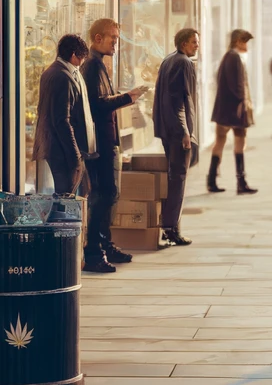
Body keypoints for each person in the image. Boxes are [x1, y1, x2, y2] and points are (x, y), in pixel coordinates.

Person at [80, 19, 147, 273]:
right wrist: (128, 97)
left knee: (109, 195)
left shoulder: (99, 64)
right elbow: (97, 104)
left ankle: (104, 246)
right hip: (100, 142)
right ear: (98, 38)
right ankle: (95, 252)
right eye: (113, 39)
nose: (116, 44)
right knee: (104, 194)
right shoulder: (93, 65)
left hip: (106, 139)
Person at [152, 28, 200, 245]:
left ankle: (170, 225)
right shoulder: (184, 63)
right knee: (178, 179)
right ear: (183, 44)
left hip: (166, 128)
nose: (197, 45)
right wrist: (185, 132)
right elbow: (179, 100)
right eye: (193, 42)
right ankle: (171, 228)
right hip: (177, 132)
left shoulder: (168, 60)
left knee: (174, 176)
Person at [33, 34, 92, 196]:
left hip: (56, 146)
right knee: (66, 195)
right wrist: (74, 154)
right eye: (82, 58)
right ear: (74, 55)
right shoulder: (62, 77)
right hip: (61, 148)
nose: (82, 63)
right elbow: (62, 120)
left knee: (69, 192)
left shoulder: (53, 71)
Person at [209, 29, 258, 195]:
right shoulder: (235, 58)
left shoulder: (227, 57)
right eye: (245, 41)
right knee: (239, 143)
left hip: (225, 109)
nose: (247, 45)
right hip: (235, 110)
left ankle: (212, 180)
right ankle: (240, 182)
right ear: (238, 41)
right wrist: (242, 104)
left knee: (220, 142)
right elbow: (238, 85)